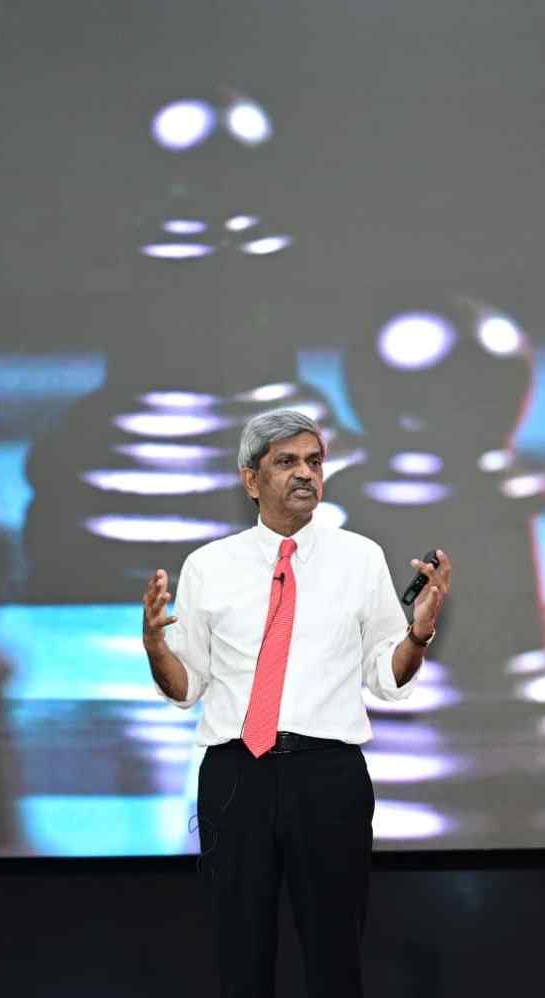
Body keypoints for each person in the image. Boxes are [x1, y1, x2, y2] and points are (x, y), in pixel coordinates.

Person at [141, 408, 451, 998]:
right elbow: (186, 688)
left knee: (335, 957)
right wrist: (156, 645)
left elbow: (386, 678)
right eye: (286, 462)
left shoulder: (360, 558)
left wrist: (418, 634)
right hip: (236, 776)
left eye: (314, 461)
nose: (305, 473)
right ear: (250, 479)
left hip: (328, 775)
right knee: (241, 958)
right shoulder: (208, 566)